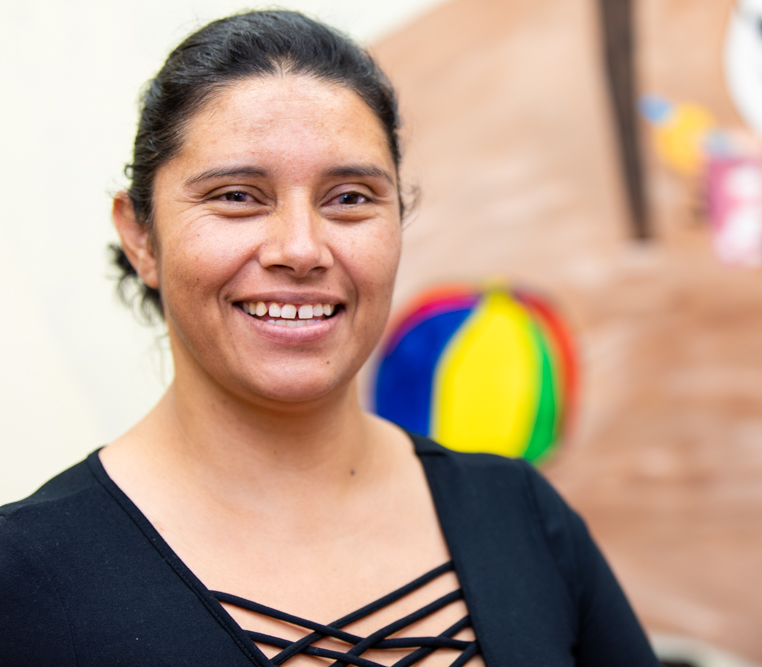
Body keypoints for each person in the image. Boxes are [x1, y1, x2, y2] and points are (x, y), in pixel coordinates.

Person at [0, 10, 659, 667]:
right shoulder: (24, 577)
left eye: (349, 198)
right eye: (237, 195)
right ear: (141, 235)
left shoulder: (519, 518)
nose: (301, 248)